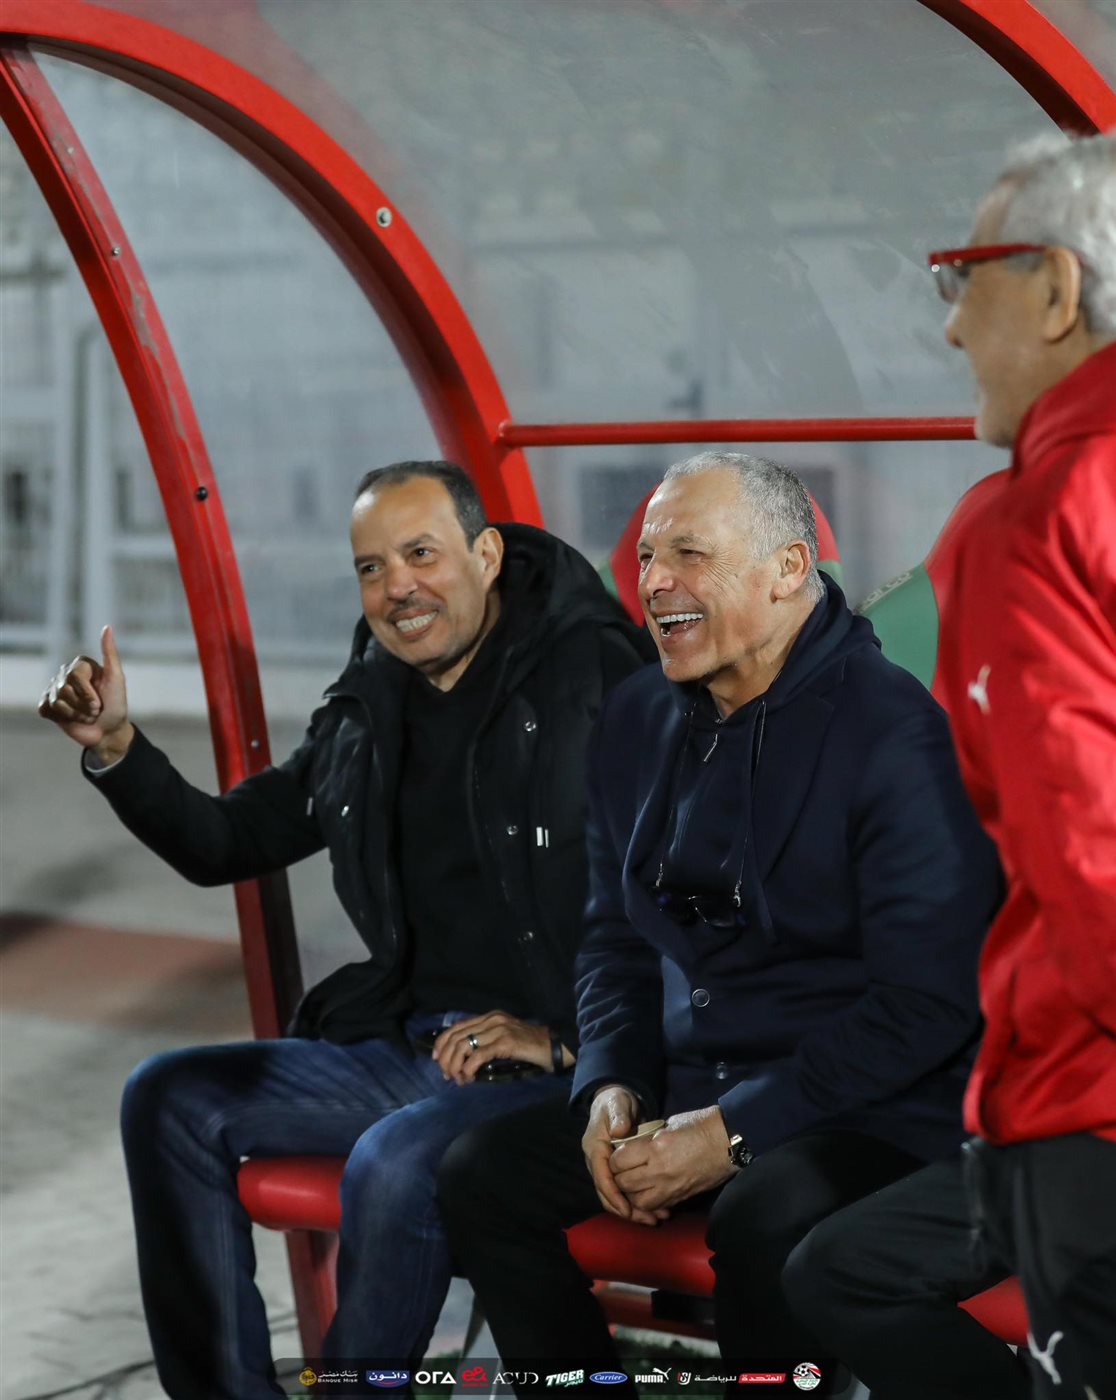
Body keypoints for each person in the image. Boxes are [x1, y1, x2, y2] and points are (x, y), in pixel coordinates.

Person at [38, 459, 651, 1400]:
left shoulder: (599, 678)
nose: (397, 587)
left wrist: (564, 1039)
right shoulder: (372, 700)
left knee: (395, 1163)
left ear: (486, 556)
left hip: (565, 1066)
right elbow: (230, 840)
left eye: (421, 555)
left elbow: (684, 896)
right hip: (414, 1047)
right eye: (372, 568)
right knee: (168, 1098)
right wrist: (119, 749)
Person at [436, 451, 1002, 1384]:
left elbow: (927, 1006)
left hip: (870, 1111)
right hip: (688, 1083)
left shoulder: (897, 736)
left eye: (689, 555)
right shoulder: (635, 717)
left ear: (788, 570)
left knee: (762, 1214)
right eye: (647, 557)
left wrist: (730, 1132)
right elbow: (615, 939)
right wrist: (611, 1087)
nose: (655, 582)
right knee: (479, 1173)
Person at [784, 131, 1116, 1400]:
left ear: (1057, 288)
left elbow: (1087, 864)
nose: (950, 326)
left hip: (1087, 1110)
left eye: (963, 276)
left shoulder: (1028, 520)